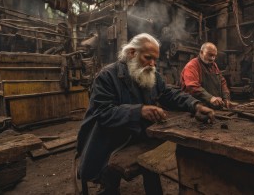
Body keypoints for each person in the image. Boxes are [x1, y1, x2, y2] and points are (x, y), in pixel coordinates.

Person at [76, 33, 214, 195]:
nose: (152, 64)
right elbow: (103, 113)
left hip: (138, 136)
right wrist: (139, 111)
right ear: (132, 53)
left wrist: (195, 105)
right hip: (110, 141)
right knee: (109, 183)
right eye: (148, 58)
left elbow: (168, 93)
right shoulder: (107, 76)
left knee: (152, 166)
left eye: (155, 59)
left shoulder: (151, 73)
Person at [180, 42, 231, 109]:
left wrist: (226, 98)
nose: (212, 58)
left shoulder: (213, 65)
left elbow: (222, 81)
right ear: (201, 52)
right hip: (195, 106)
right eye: (210, 55)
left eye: (214, 56)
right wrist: (210, 98)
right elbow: (192, 86)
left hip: (211, 105)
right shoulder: (192, 66)